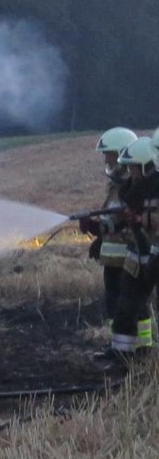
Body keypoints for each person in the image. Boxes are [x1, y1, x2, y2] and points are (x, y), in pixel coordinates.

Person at [82, 134, 159, 361]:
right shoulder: (133, 192)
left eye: (134, 169)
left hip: (153, 253)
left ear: (146, 167)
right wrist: (99, 227)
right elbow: (121, 221)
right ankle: (122, 354)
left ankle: (145, 353)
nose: (131, 173)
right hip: (138, 256)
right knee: (125, 305)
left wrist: (141, 219)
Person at [86, 127, 140, 349]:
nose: (106, 159)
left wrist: (103, 227)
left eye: (109, 153)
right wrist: (97, 232)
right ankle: (117, 347)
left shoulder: (134, 186)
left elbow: (131, 222)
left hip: (130, 259)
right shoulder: (114, 185)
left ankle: (137, 349)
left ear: (121, 154)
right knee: (113, 304)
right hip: (112, 260)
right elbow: (114, 220)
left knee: (130, 305)